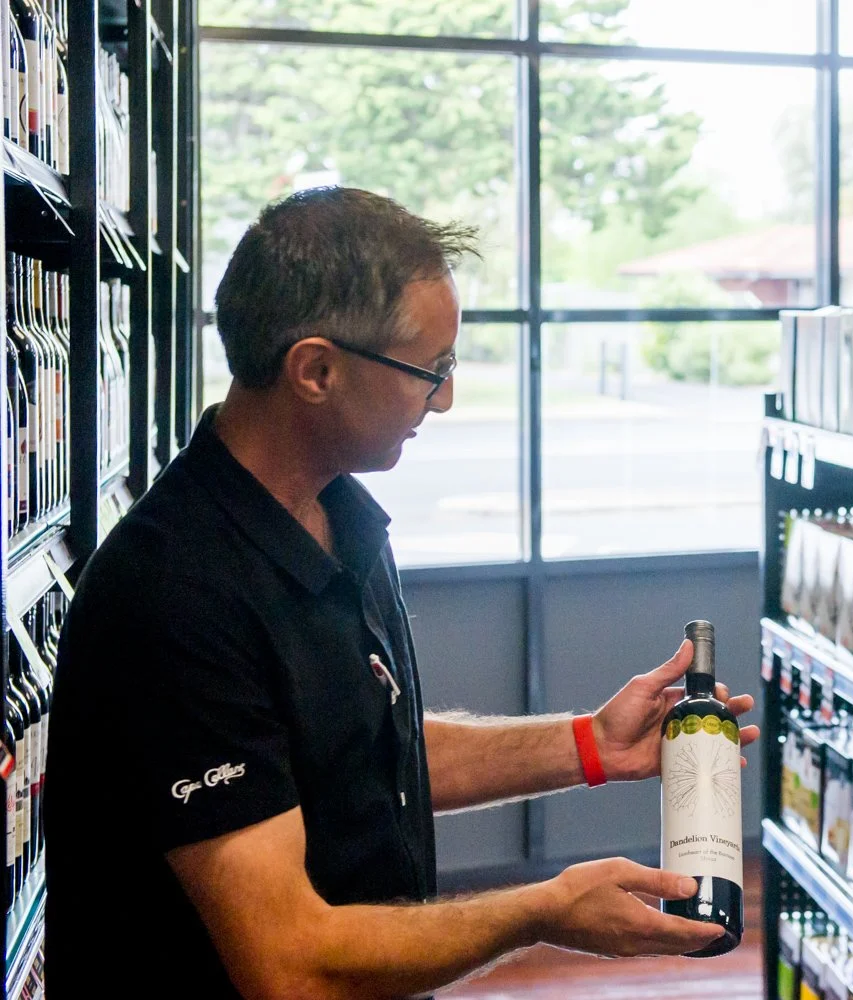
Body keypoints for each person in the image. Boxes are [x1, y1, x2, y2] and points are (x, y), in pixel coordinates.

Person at [44, 187, 760, 998]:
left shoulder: (338, 516)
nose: (445, 398)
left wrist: (591, 743)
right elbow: (289, 964)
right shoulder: (174, 595)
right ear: (316, 370)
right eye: (431, 370)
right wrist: (542, 912)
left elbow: (363, 747)